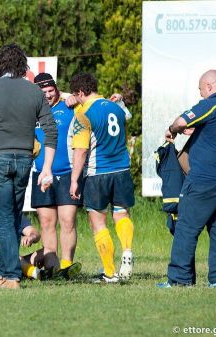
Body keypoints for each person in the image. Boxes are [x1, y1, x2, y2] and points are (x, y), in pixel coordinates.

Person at [0, 44, 57, 289]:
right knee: (14, 216)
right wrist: (46, 167)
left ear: (0, 65)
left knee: (5, 218)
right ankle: (8, 273)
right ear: (23, 66)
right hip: (25, 159)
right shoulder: (34, 91)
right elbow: (51, 130)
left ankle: (10, 275)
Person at [159, 70, 216, 288]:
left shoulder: (211, 105)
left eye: (201, 91)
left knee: (186, 228)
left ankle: (179, 279)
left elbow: (180, 121)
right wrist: (198, 131)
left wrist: (173, 130)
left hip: (202, 181)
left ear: (209, 87)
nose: (201, 95)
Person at [69, 72, 134, 283]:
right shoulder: (115, 107)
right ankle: (127, 250)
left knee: (98, 222)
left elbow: (80, 151)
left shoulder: (83, 114)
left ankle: (110, 272)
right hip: (122, 169)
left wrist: (74, 180)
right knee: (122, 214)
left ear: (80, 93)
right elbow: (125, 124)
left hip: (99, 173)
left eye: (76, 96)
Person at [30, 72, 83, 279]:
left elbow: (90, 102)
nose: (48, 96)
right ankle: (52, 268)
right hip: (41, 173)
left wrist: (76, 98)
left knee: (68, 220)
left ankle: (67, 267)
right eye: (43, 93)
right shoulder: (31, 110)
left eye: (51, 91)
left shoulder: (69, 105)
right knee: (46, 222)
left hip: (68, 172)